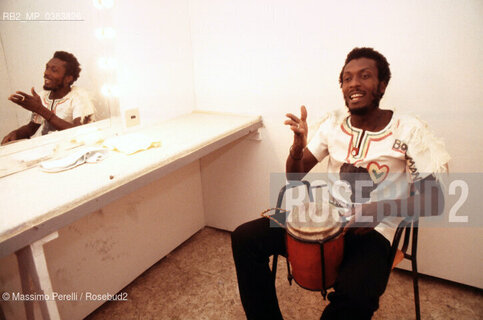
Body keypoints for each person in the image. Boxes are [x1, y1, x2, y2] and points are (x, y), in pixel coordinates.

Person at [231, 47, 450, 319]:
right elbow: (295, 177)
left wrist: (377, 209)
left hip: (375, 232)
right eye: (346, 79)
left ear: (382, 85)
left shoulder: (409, 130)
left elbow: (434, 200)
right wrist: (297, 150)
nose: (354, 83)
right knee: (245, 238)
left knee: (355, 297)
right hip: (329, 219)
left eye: (365, 76)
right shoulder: (333, 125)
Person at [1, 51, 95, 145]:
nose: (46, 73)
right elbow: (32, 127)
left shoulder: (79, 96)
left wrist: (40, 109)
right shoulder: (42, 96)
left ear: (68, 79)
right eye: (47, 68)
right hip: (45, 148)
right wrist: (16, 134)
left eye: (54, 70)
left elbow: (80, 132)